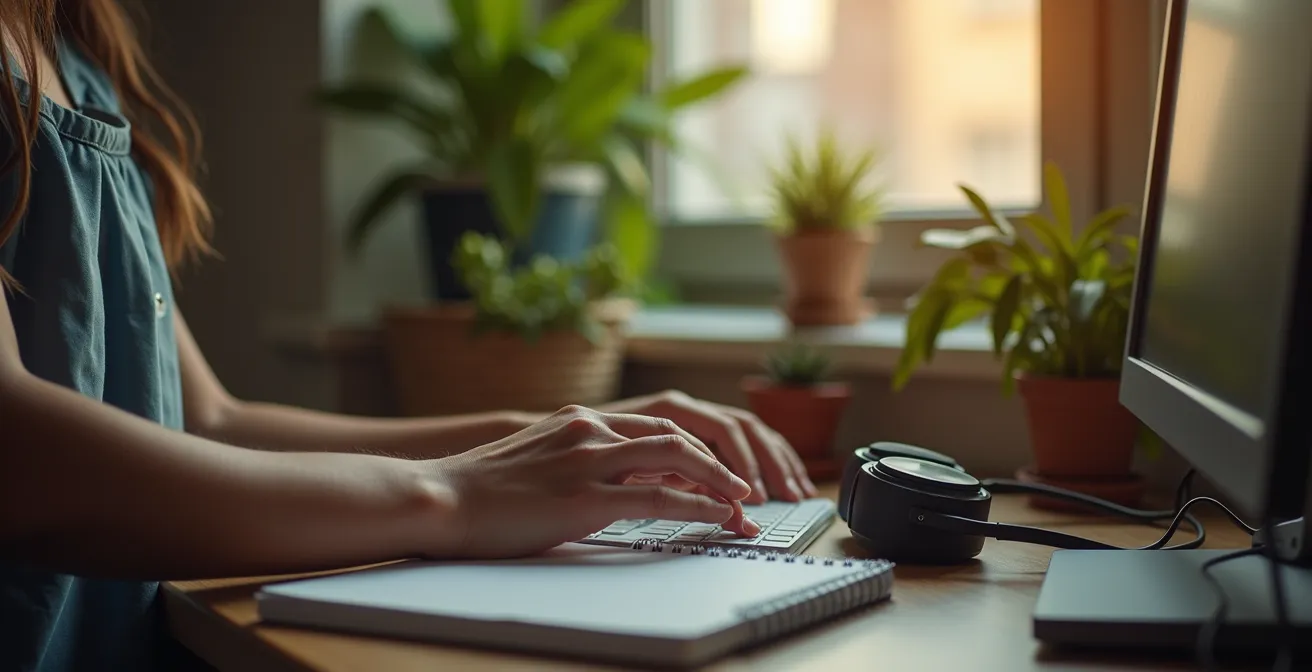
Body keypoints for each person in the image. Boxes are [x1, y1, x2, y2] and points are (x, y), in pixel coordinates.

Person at [0, 2, 819, 670]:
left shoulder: (74, 53)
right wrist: (455, 495)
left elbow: (207, 423)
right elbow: (22, 455)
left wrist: (539, 439)